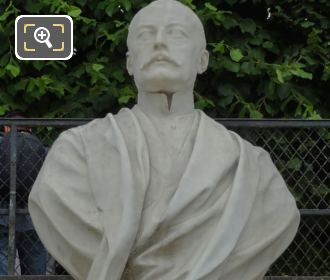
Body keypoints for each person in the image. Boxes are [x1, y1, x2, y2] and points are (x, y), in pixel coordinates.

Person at [28, 1, 300, 279]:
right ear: (130, 63)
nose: (159, 43)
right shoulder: (74, 153)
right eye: (146, 35)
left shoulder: (253, 169)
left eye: (176, 34)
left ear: (202, 60)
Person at [0, 111, 47, 275]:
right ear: (30, 129)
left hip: (3, 215)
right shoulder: (41, 148)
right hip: (34, 216)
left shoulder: (1, 144)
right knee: (35, 269)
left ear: (6, 128)